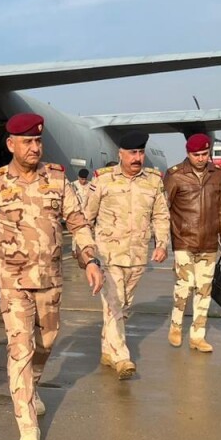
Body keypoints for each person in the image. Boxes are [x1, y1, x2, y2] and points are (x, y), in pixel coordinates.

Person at [0, 113, 104, 440]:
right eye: (28, 142)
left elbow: (77, 223)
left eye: (38, 141)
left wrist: (89, 259)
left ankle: (33, 384)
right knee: (20, 349)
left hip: (49, 278)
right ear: (11, 144)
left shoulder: (57, 179)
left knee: (46, 342)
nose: (35, 148)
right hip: (12, 281)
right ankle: (26, 425)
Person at [83, 131, 170, 379]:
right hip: (108, 256)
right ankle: (122, 357)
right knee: (113, 303)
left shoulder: (153, 181)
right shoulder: (103, 180)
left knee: (122, 306)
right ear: (120, 154)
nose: (137, 158)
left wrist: (162, 244)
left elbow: (161, 216)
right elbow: (86, 219)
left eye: (141, 153)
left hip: (138, 256)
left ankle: (107, 350)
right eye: (132, 153)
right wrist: (89, 254)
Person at [164, 133, 221, 353]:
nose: (201, 158)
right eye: (197, 155)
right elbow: (163, 209)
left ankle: (197, 336)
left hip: (210, 242)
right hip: (183, 240)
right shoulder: (175, 176)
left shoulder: (218, 176)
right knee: (184, 287)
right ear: (188, 153)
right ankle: (176, 326)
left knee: (204, 291)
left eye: (205, 154)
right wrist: (162, 240)